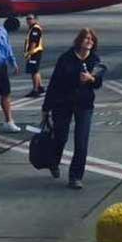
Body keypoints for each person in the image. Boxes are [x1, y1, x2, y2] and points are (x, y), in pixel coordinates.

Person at [41, 28, 107, 188]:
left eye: (91, 39)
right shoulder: (66, 59)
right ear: (79, 41)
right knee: (60, 137)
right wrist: (46, 108)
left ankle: (75, 176)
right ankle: (53, 162)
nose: (89, 41)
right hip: (63, 103)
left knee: (81, 142)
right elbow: (54, 84)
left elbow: (98, 81)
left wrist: (92, 78)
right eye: (86, 38)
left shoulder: (94, 59)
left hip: (84, 105)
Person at [23, 15, 46, 97]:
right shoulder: (33, 28)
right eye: (27, 18)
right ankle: (40, 87)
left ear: (35, 19)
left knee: (34, 71)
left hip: (34, 52)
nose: (28, 20)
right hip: (35, 52)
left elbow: (33, 42)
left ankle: (35, 90)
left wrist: (29, 53)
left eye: (30, 18)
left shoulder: (35, 29)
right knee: (36, 70)